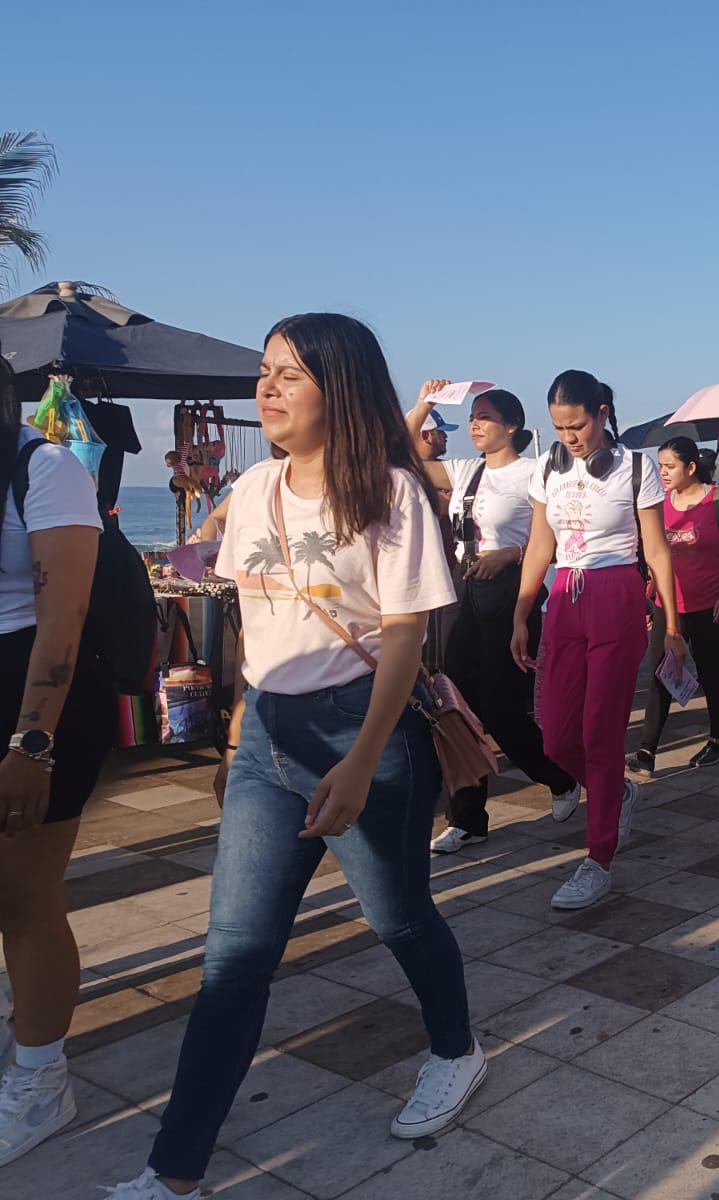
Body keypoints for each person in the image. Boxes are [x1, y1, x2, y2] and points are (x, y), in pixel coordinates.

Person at [108, 315, 479, 1200]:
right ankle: (174, 1172)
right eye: (265, 373)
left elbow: (402, 638)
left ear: (340, 388)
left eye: (290, 375)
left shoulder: (390, 495)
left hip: (363, 734)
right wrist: (242, 726)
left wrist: (361, 762)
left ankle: (457, 1052)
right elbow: (252, 620)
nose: (267, 389)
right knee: (234, 955)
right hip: (269, 737)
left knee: (399, 919)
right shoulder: (255, 485)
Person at [511, 370, 684, 911]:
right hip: (563, 596)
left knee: (601, 732)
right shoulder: (547, 469)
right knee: (557, 736)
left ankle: (599, 856)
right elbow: (540, 545)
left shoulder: (637, 467)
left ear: (603, 412)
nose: (569, 436)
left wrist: (674, 624)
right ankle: (619, 793)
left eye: (577, 424)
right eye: (560, 427)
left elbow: (656, 549)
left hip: (617, 595)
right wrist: (521, 611)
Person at [0, 362, 113, 1170]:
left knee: (23, 899)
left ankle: (43, 1082)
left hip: (36, 698)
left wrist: (29, 743)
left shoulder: (47, 468)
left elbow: (63, 618)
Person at [404, 384, 579, 854]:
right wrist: (426, 405)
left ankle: (559, 778)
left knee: (501, 709)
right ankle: (467, 819)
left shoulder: (535, 472)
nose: (476, 425)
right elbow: (396, 452)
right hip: (465, 595)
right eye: (474, 418)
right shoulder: (466, 471)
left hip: (512, 597)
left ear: (512, 426)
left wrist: (512, 554)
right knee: (456, 707)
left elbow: (565, 537)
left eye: (485, 417)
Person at [632, 437, 719, 775]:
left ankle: (715, 742)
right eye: (660, 466)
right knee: (661, 675)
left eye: (670, 467)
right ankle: (646, 751)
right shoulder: (658, 504)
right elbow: (650, 555)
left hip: (712, 605)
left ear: (691, 467)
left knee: (710, 673)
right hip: (669, 607)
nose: (662, 473)